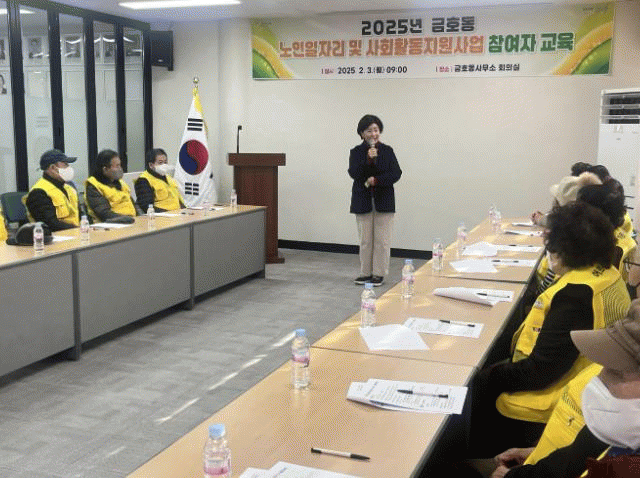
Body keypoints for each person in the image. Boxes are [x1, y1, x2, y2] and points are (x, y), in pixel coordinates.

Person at [469, 202, 630, 456]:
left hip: (552, 399)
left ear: (564, 249)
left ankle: (468, 455)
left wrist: (490, 377)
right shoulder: (606, 274)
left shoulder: (575, 295)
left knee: (477, 381)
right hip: (588, 382)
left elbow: (541, 371)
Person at [489, 299, 640, 477]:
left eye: (619, 372)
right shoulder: (621, 427)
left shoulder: (624, 468)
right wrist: (536, 456)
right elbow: (579, 455)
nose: (600, 378)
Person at [348, 114, 402, 286]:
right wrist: (368, 160)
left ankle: (378, 274)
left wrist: (377, 180)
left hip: (384, 200)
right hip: (363, 200)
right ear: (362, 133)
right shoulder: (356, 152)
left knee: (382, 241)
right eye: (369, 131)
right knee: (365, 240)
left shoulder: (387, 151)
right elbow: (354, 173)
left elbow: (396, 173)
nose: (373, 134)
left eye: (376, 130)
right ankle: (365, 273)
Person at [23, 149, 79, 231]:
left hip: (77, 234)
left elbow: (81, 216)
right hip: (58, 236)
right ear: (53, 168)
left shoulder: (69, 189)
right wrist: (78, 230)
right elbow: (50, 224)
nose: (69, 168)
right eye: (65, 165)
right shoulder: (38, 193)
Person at [85, 149, 142, 223]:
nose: (120, 169)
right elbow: (104, 213)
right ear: (105, 169)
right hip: (111, 225)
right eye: (117, 166)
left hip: (130, 221)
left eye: (120, 165)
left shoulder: (121, 182)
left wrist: (141, 217)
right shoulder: (93, 185)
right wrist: (126, 219)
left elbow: (133, 204)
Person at [134, 148, 184, 212]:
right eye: (160, 163)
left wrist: (185, 210)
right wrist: (168, 213)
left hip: (177, 212)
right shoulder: (143, 180)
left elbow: (178, 199)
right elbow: (147, 206)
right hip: (162, 215)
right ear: (151, 165)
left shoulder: (168, 177)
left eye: (165, 162)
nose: (164, 165)